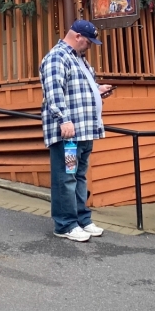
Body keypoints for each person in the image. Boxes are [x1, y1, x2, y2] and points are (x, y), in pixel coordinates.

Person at [40, 19, 114, 242]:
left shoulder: (78, 59)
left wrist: (97, 90)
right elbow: (54, 92)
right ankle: (65, 224)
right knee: (67, 177)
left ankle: (82, 219)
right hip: (69, 133)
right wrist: (64, 120)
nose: (90, 46)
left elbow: (76, 89)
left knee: (78, 175)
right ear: (77, 36)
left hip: (83, 131)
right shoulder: (57, 56)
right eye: (88, 41)